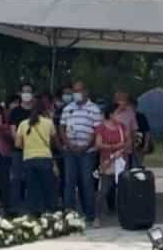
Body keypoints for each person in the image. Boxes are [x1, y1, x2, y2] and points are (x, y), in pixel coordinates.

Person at [60, 81, 102, 224]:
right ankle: (68, 216)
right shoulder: (67, 108)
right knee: (69, 182)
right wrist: (69, 145)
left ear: (86, 91)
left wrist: (85, 146)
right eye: (74, 91)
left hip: (87, 152)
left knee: (87, 182)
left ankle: (90, 215)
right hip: (70, 151)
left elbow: (97, 131)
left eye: (79, 90)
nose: (76, 93)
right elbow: (62, 128)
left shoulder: (94, 109)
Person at [16, 100, 60, 215]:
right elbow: (55, 141)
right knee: (47, 188)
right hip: (45, 158)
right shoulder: (48, 123)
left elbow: (17, 144)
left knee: (32, 189)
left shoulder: (23, 124)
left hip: (29, 159)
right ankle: (50, 213)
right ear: (44, 111)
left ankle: (34, 215)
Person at [93, 105, 127, 228]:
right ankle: (96, 216)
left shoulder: (121, 127)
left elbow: (126, 144)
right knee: (103, 191)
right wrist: (114, 148)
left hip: (120, 163)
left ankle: (125, 216)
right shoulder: (101, 128)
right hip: (106, 162)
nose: (120, 116)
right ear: (111, 114)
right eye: (118, 113)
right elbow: (98, 144)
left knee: (123, 190)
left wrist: (120, 150)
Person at [7, 82, 34, 215]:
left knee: (31, 179)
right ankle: (15, 208)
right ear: (21, 94)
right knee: (16, 179)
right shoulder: (15, 111)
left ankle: (31, 207)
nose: (26, 94)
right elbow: (13, 130)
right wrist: (20, 144)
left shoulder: (36, 111)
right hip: (18, 150)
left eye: (29, 91)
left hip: (33, 151)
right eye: (24, 91)